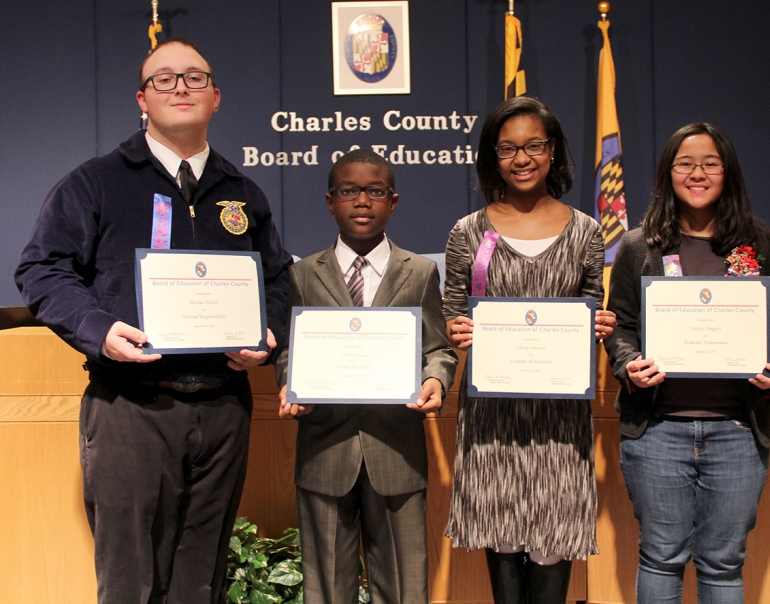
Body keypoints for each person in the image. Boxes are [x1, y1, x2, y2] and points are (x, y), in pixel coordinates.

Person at [15, 39, 292, 603]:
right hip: (130, 406)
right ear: (142, 99)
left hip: (223, 406)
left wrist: (268, 332)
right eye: (164, 79)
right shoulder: (95, 182)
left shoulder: (242, 193)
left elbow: (280, 280)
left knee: (202, 574)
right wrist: (97, 329)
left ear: (215, 96)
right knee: (130, 578)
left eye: (194, 77)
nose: (181, 87)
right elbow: (42, 270)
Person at [603, 122, 770, 604]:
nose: (697, 173)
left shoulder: (757, 243)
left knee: (724, 563)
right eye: (685, 163)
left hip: (737, 431)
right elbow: (620, 325)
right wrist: (628, 365)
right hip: (659, 430)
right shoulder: (640, 245)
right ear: (669, 173)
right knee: (661, 555)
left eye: (710, 163)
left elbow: (769, 329)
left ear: (727, 173)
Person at [443, 97, 616, 603]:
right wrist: (458, 331)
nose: (522, 159)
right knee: (501, 532)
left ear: (554, 150)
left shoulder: (586, 231)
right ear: (491, 158)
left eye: (534, 146)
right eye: (508, 149)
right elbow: (454, 309)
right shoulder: (468, 231)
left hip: (559, 414)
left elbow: (590, 307)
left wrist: (597, 323)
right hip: (492, 412)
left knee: (552, 536)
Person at [275, 149, 457, 604]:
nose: (362, 201)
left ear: (392, 202)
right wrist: (288, 380)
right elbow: (290, 350)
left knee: (403, 583)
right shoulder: (301, 274)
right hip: (325, 449)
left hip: (397, 449)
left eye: (375, 191)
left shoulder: (420, 272)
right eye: (349, 191)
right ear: (329, 200)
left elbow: (437, 347)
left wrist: (435, 379)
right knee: (327, 585)